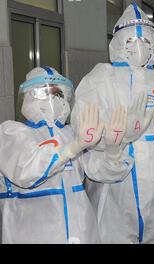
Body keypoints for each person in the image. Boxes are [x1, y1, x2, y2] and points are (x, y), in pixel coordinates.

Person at [71, 3, 154, 244]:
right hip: (116, 189)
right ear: (117, 45)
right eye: (130, 42)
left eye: (147, 42)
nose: (139, 48)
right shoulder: (99, 79)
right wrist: (115, 136)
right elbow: (83, 131)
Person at [0, 67, 132, 244]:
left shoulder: (72, 133)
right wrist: (73, 147)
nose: (55, 99)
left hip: (82, 233)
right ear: (29, 95)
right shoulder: (12, 133)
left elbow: (100, 172)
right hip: (32, 235)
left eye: (60, 94)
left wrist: (113, 148)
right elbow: (26, 171)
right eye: (48, 92)